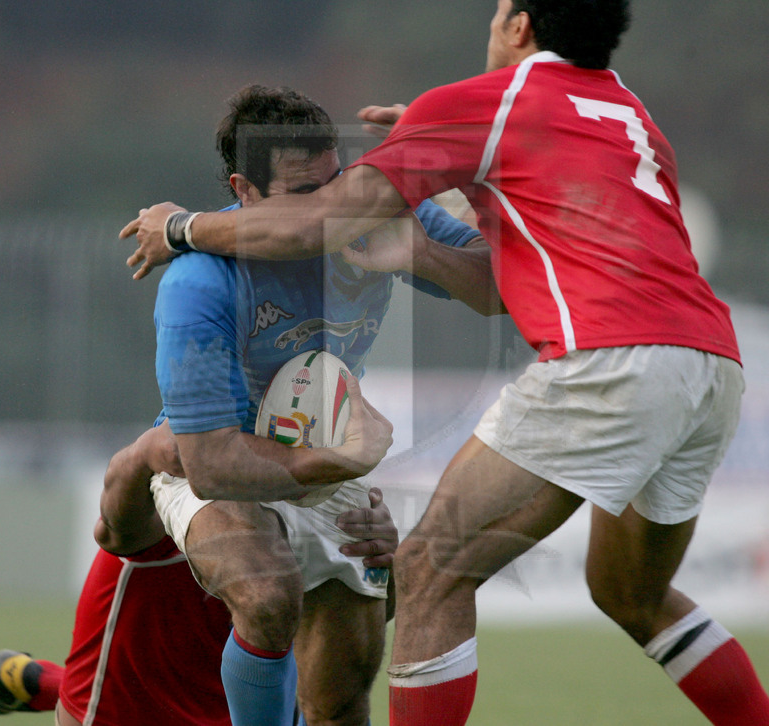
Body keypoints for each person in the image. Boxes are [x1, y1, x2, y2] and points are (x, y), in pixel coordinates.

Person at [118, 2, 769, 725]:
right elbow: (518, 263)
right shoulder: (628, 116)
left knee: (427, 573)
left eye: (496, 11)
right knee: (634, 595)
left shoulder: (479, 105)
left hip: (612, 360)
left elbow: (315, 224)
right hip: (712, 364)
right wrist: (448, 190)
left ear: (519, 26)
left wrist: (178, 227)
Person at [130, 84, 493, 726]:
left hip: (325, 458)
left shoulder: (372, 217)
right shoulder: (198, 282)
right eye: (303, 196)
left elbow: (502, 286)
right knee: (268, 596)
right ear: (244, 191)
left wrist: (424, 253)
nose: (325, 212)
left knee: (341, 696)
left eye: (333, 185)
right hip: (214, 469)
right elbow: (210, 464)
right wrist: (343, 463)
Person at [0, 423, 399, 724]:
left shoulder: (321, 507)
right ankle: (47, 684)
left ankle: (41, 682)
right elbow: (113, 531)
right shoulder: (182, 487)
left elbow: (363, 623)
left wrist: (378, 565)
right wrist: (141, 455)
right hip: (122, 714)